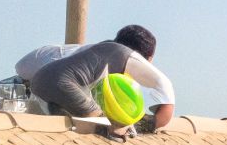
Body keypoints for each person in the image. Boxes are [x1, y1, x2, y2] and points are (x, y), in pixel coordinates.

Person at [20, 25, 176, 132]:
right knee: (103, 125)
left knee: (63, 122)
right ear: (147, 59)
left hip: (32, 76)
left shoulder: (101, 51)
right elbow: (164, 88)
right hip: (54, 79)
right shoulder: (124, 56)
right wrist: (148, 124)